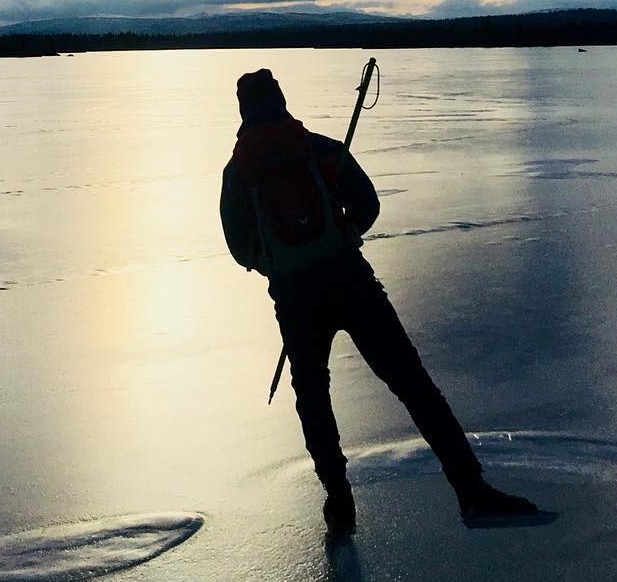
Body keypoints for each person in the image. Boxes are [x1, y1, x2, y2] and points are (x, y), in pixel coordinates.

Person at [220, 68, 543, 535]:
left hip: (294, 299)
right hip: (351, 281)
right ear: (282, 100)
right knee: (413, 384)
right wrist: (345, 230)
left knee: (313, 397)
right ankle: (471, 490)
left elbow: (237, 245)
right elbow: (368, 205)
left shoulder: (238, 170)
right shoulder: (322, 149)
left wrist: (275, 261)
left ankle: (339, 504)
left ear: (244, 111)